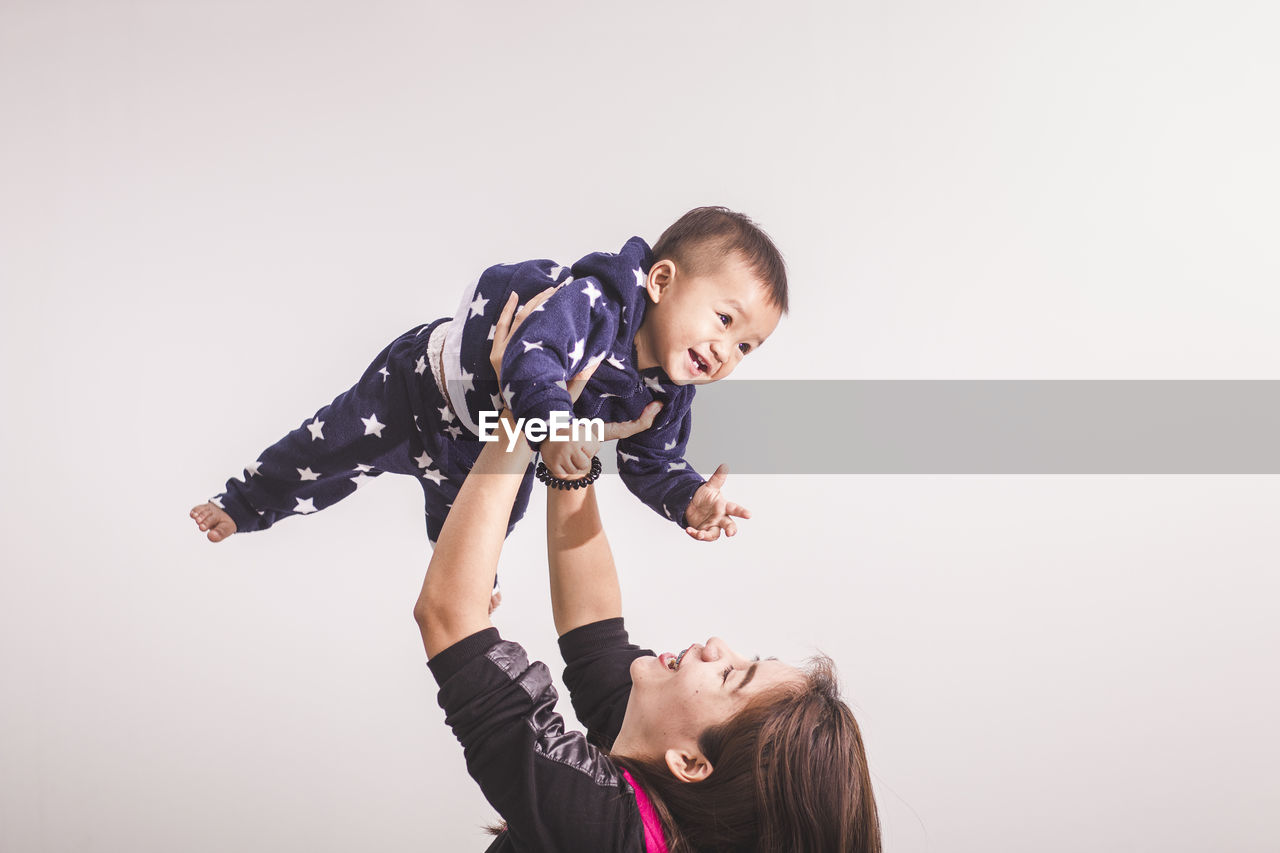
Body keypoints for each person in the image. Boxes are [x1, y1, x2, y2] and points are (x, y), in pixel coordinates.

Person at [415, 291, 881, 852]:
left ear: (691, 762)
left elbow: (449, 617)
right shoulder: (661, 784)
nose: (717, 645)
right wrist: (573, 448)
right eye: (746, 658)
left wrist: (518, 416)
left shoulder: (608, 832)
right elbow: (593, 631)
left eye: (730, 677)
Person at [190, 207, 787, 564]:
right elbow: (533, 357)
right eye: (724, 320)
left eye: (744, 347)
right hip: (419, 390)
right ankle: (245, 502)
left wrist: (687, 500)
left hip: (485, 447)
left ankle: (475, 581)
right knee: (328, 447)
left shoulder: (667, 395)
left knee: (491, 525)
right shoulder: (596, 305)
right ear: (660, 280)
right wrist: (554, 431)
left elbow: (651, 463)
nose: (724, 352)